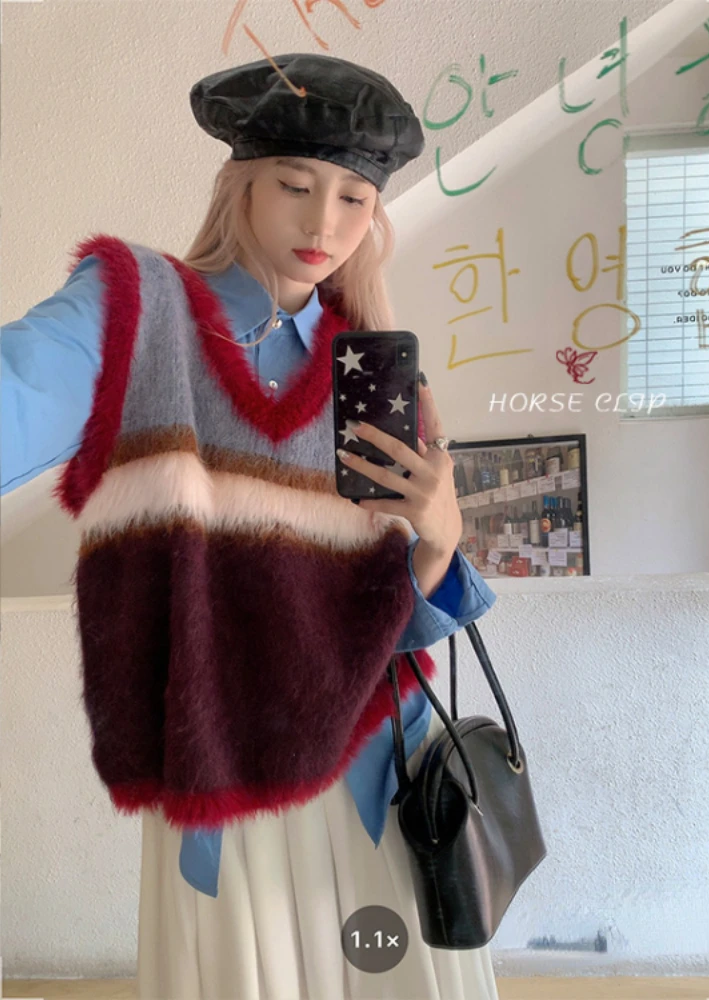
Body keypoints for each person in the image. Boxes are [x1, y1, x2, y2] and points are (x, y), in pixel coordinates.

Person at [1, 53, 500, 999]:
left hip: (375, 770)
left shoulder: (370, 372)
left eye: (355, 199)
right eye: (296, 186)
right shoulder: (136, 312)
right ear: (240, 185)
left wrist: (440, 539)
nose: (324, 225)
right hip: (220, 788)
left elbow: (398, 624)